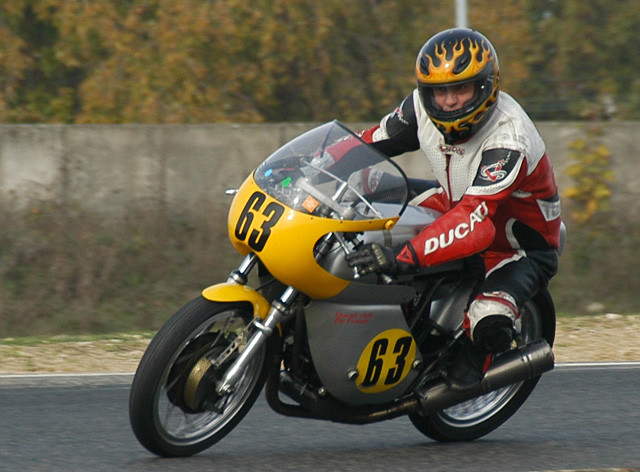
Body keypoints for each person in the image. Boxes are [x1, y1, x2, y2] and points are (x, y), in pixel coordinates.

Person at [344, 28, 562, 388]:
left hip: (514, 246)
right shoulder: (419, 106)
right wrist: (310, 164)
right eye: (439, 91)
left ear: (485, 87)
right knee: (361, 199)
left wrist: (402, 258)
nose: (447, 102)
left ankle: (480, 359)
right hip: (453, 204)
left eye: (459, 89)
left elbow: (476, 220)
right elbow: (371, 141)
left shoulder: (509, 139)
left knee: (486, 320)